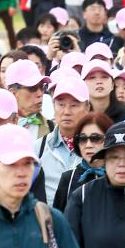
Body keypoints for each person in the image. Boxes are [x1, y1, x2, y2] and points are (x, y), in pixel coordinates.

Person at [35, 72, 90, 205]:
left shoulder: (96, 146)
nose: (66, 111)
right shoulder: (38, 148)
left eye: (74, 105)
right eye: (61, 104)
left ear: (87, 107)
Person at [53, 112, 112, 213]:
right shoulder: (68, 178)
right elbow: (59, 222)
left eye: (95, 138)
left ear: (109, 139)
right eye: (82, 139)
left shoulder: (119, 175)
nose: (88, 145)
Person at [5, 59, 53, 139]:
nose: (40, 94)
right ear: (13, 93)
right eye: (32, 88)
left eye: (42, 87)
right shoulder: (0, 131)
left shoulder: (52, 127)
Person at [81, 59, 125, 123]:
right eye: (92, 77)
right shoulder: (78, 117)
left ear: (112, 85)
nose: (99, 82)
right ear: (83, 85)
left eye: (104, 77)